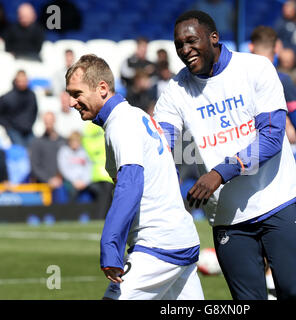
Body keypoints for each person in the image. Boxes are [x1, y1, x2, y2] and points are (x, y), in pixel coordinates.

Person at [154, 10, 296, 300]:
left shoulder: (256, 68)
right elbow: (162, 145)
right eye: (179, 45)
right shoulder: (175, 90)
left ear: (214, 38)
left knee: (294, 291)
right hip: (228, 216)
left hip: (276, 201)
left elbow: (272, 138)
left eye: (191, 41)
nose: (185, 50)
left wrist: (219, 173)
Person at [65, 54, 203, 299]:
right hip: (179, 239)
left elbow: (130, 185)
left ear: (103, 88)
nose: (71, 102)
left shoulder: (121, 123)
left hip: (158, 246)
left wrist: (110, 246)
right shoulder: (135, 116)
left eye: (77, 94)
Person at [248, 25, 296, 299]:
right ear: (277, 49)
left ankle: (263, 283)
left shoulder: (234, 79)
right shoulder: (280, 79)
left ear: (250, 48)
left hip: (237, 166)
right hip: (272, 168)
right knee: (275, 221)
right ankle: (274, 282)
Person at [29, 111, 68, 203]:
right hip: (43, 184)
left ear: (54, 121)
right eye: (46, 122)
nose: (48, 124)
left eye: (50, 121)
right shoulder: (37, 143)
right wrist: (48, 179)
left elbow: (68, 162)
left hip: (63, 182)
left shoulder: (63, 141)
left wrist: (60, 178)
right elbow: (34, 166)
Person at [0, 70, 38, 147]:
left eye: (24, 81)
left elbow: (34, 111)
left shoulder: (31, 95)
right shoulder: (7, 97)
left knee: (35, 148)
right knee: (21, 150)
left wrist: (29, 124)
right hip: (14, 130)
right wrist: (8, 126)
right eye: (20, 81)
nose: (22, 83)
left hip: (28, 130)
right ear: (16, 81)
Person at [57, 131, 93, 203]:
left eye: (77, 141)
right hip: (70, 181)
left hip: (83, 182)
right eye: (73, 141)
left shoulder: (84, 151)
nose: (75, 143)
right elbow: (64, 169)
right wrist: (75, 181)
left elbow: (89, 167)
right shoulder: (64, 151)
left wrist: (85, 181)